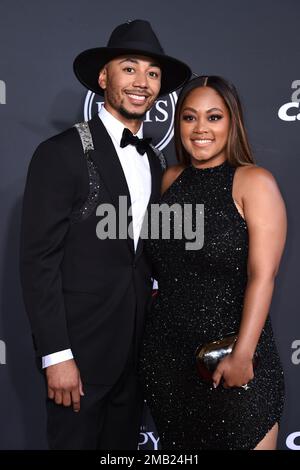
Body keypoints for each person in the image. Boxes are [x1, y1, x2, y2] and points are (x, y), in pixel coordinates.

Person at [19, 19, 191, 450]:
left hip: (134, 358)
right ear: (103, 77)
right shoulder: (61, 152)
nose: (142, 82)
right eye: (129, 68)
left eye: (152, 74)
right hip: (77, 357)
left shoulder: (155, 161)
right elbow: (38, 262)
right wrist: (56, 356)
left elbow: (144, 256)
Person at [139, 75, 287, 450]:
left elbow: (262, 275)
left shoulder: (253, 182)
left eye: (214, 117)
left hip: (233, 358)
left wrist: (243, 353)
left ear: (231, 123)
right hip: (169, 364)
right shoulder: (170, 180)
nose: (200, 128)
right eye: (189, 118)